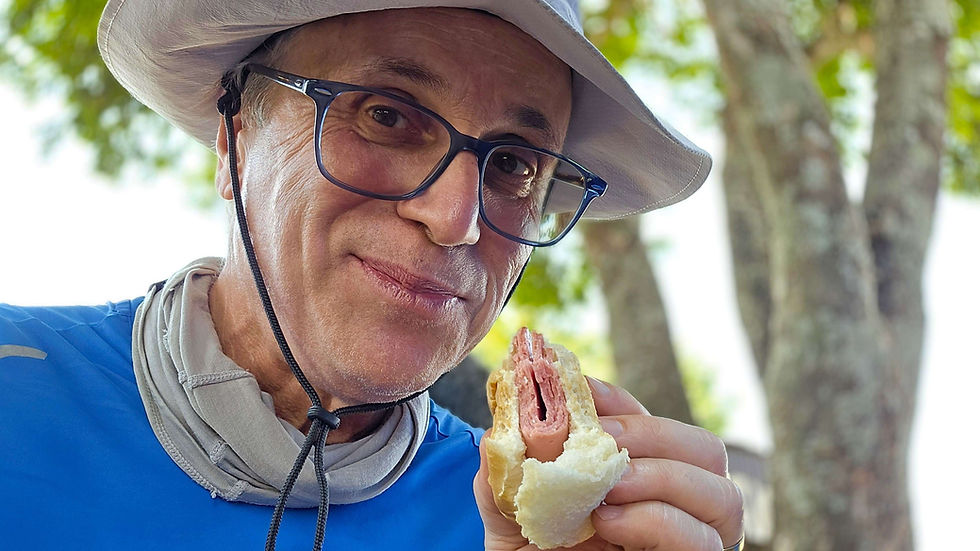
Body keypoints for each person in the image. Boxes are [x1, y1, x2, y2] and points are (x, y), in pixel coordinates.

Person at [0, 1, 744, 550]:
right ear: (234, 139)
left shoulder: (527, 523)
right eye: (387, 116)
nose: (455, 218)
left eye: (513, 164)